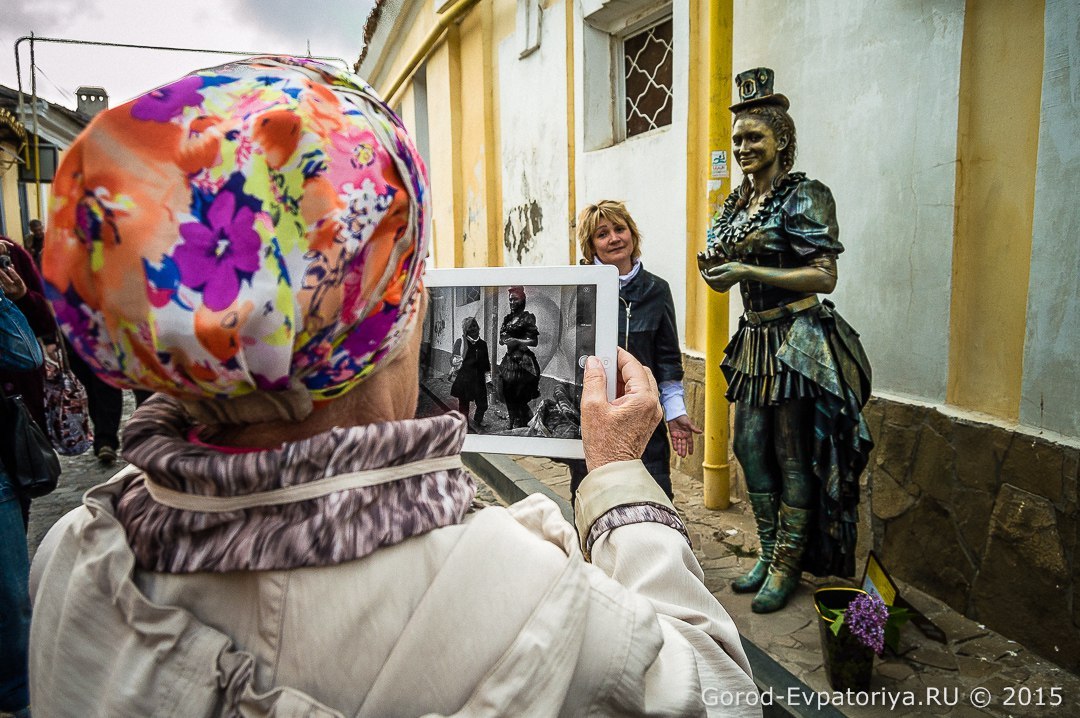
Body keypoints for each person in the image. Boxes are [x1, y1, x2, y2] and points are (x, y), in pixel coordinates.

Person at [28, 57, 758, 716]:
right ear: (391, 321)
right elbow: (722, 693)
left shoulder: (73, 555)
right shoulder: (512, 595)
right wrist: (622, 481)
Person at [698, 68, 873, 614]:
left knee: (792, 455)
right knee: (750, 450)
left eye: (755, 138)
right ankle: (769, 550)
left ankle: (788, 565)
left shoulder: (807, 197)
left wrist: (747, 268)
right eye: (738, 139)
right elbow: (723, 262)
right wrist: (717, 273)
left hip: (797, 338)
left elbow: (823, 277)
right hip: (754, 339)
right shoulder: (734, 205)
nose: (744, 147)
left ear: (782, 141)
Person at [574, 200, 702, 500]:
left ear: (633, 235)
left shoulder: (657, 290)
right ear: (591, 246)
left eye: (620, 229)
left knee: (654, 499)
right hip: (595, 419)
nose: (614, 238)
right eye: (602, 234)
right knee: (595, 504)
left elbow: (667, 359)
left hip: (644, 418)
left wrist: (675, 412)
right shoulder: (581, 290)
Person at [0, 236, 54, 718]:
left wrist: (13, 299)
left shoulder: (8, 254)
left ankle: (17, 695)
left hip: (9, 447)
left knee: (10, 588)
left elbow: (34, 348)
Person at [498, 285, 542, 429]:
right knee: (508, 396)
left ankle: (524, 425)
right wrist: (503, 339)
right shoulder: (507, 319)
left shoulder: (528, 317)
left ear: (522, 300)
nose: (512, 303)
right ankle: (512, 421)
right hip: (508, 362)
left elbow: (534, 341)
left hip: (523, 363)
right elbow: (500, 340)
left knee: (520, 399)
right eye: (510, 300)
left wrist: (517, 341)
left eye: (515, 300)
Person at [449, 316, 490, 428]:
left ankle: (478, 419)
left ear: (478, 327)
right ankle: (464, 424)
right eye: (470, 326)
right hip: (465, 378)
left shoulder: (483, 344)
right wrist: (455, 360)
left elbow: (486, 362)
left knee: (483, 404)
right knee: (464, 404)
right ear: (465, 329)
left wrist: (488, 378)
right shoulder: (461, 342)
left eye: (475, 325)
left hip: (479, 379)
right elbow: (453, 358)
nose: (473, 328)